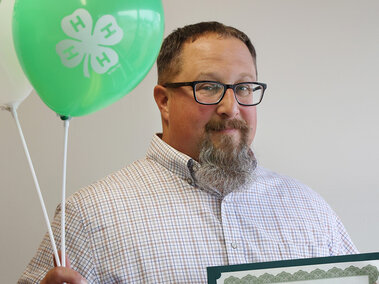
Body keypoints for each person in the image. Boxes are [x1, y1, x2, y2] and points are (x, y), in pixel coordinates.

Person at [19, 21, 357, 284]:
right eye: (209, 87)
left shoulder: (310, 211)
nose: (231, 107)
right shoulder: (90, 216)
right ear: (164, 101)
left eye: (243, 87)